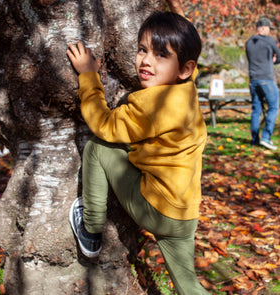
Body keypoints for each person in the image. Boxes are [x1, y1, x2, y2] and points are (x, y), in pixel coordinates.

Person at [67, 1, 209, 294]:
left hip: (156, 208)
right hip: (184, 214)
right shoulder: (187, 90)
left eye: (160, 55)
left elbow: (104, 123)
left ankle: (91, 231)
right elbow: (184, 62)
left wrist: (87, 75)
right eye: (142, 49)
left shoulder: (152, 105)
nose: (147, 61)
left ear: (185, 68)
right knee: (189, 286)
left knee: (98, 147)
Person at [246, 17, 280, 150]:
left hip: (253, 80)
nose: (269, 32)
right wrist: (273, 61)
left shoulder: (249, 42)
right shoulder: (269, 41)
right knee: (274, 107)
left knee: (256, 110)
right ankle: (266, 137)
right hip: (266, 78)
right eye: (268, 29)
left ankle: (255, 140)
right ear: (263, 28)